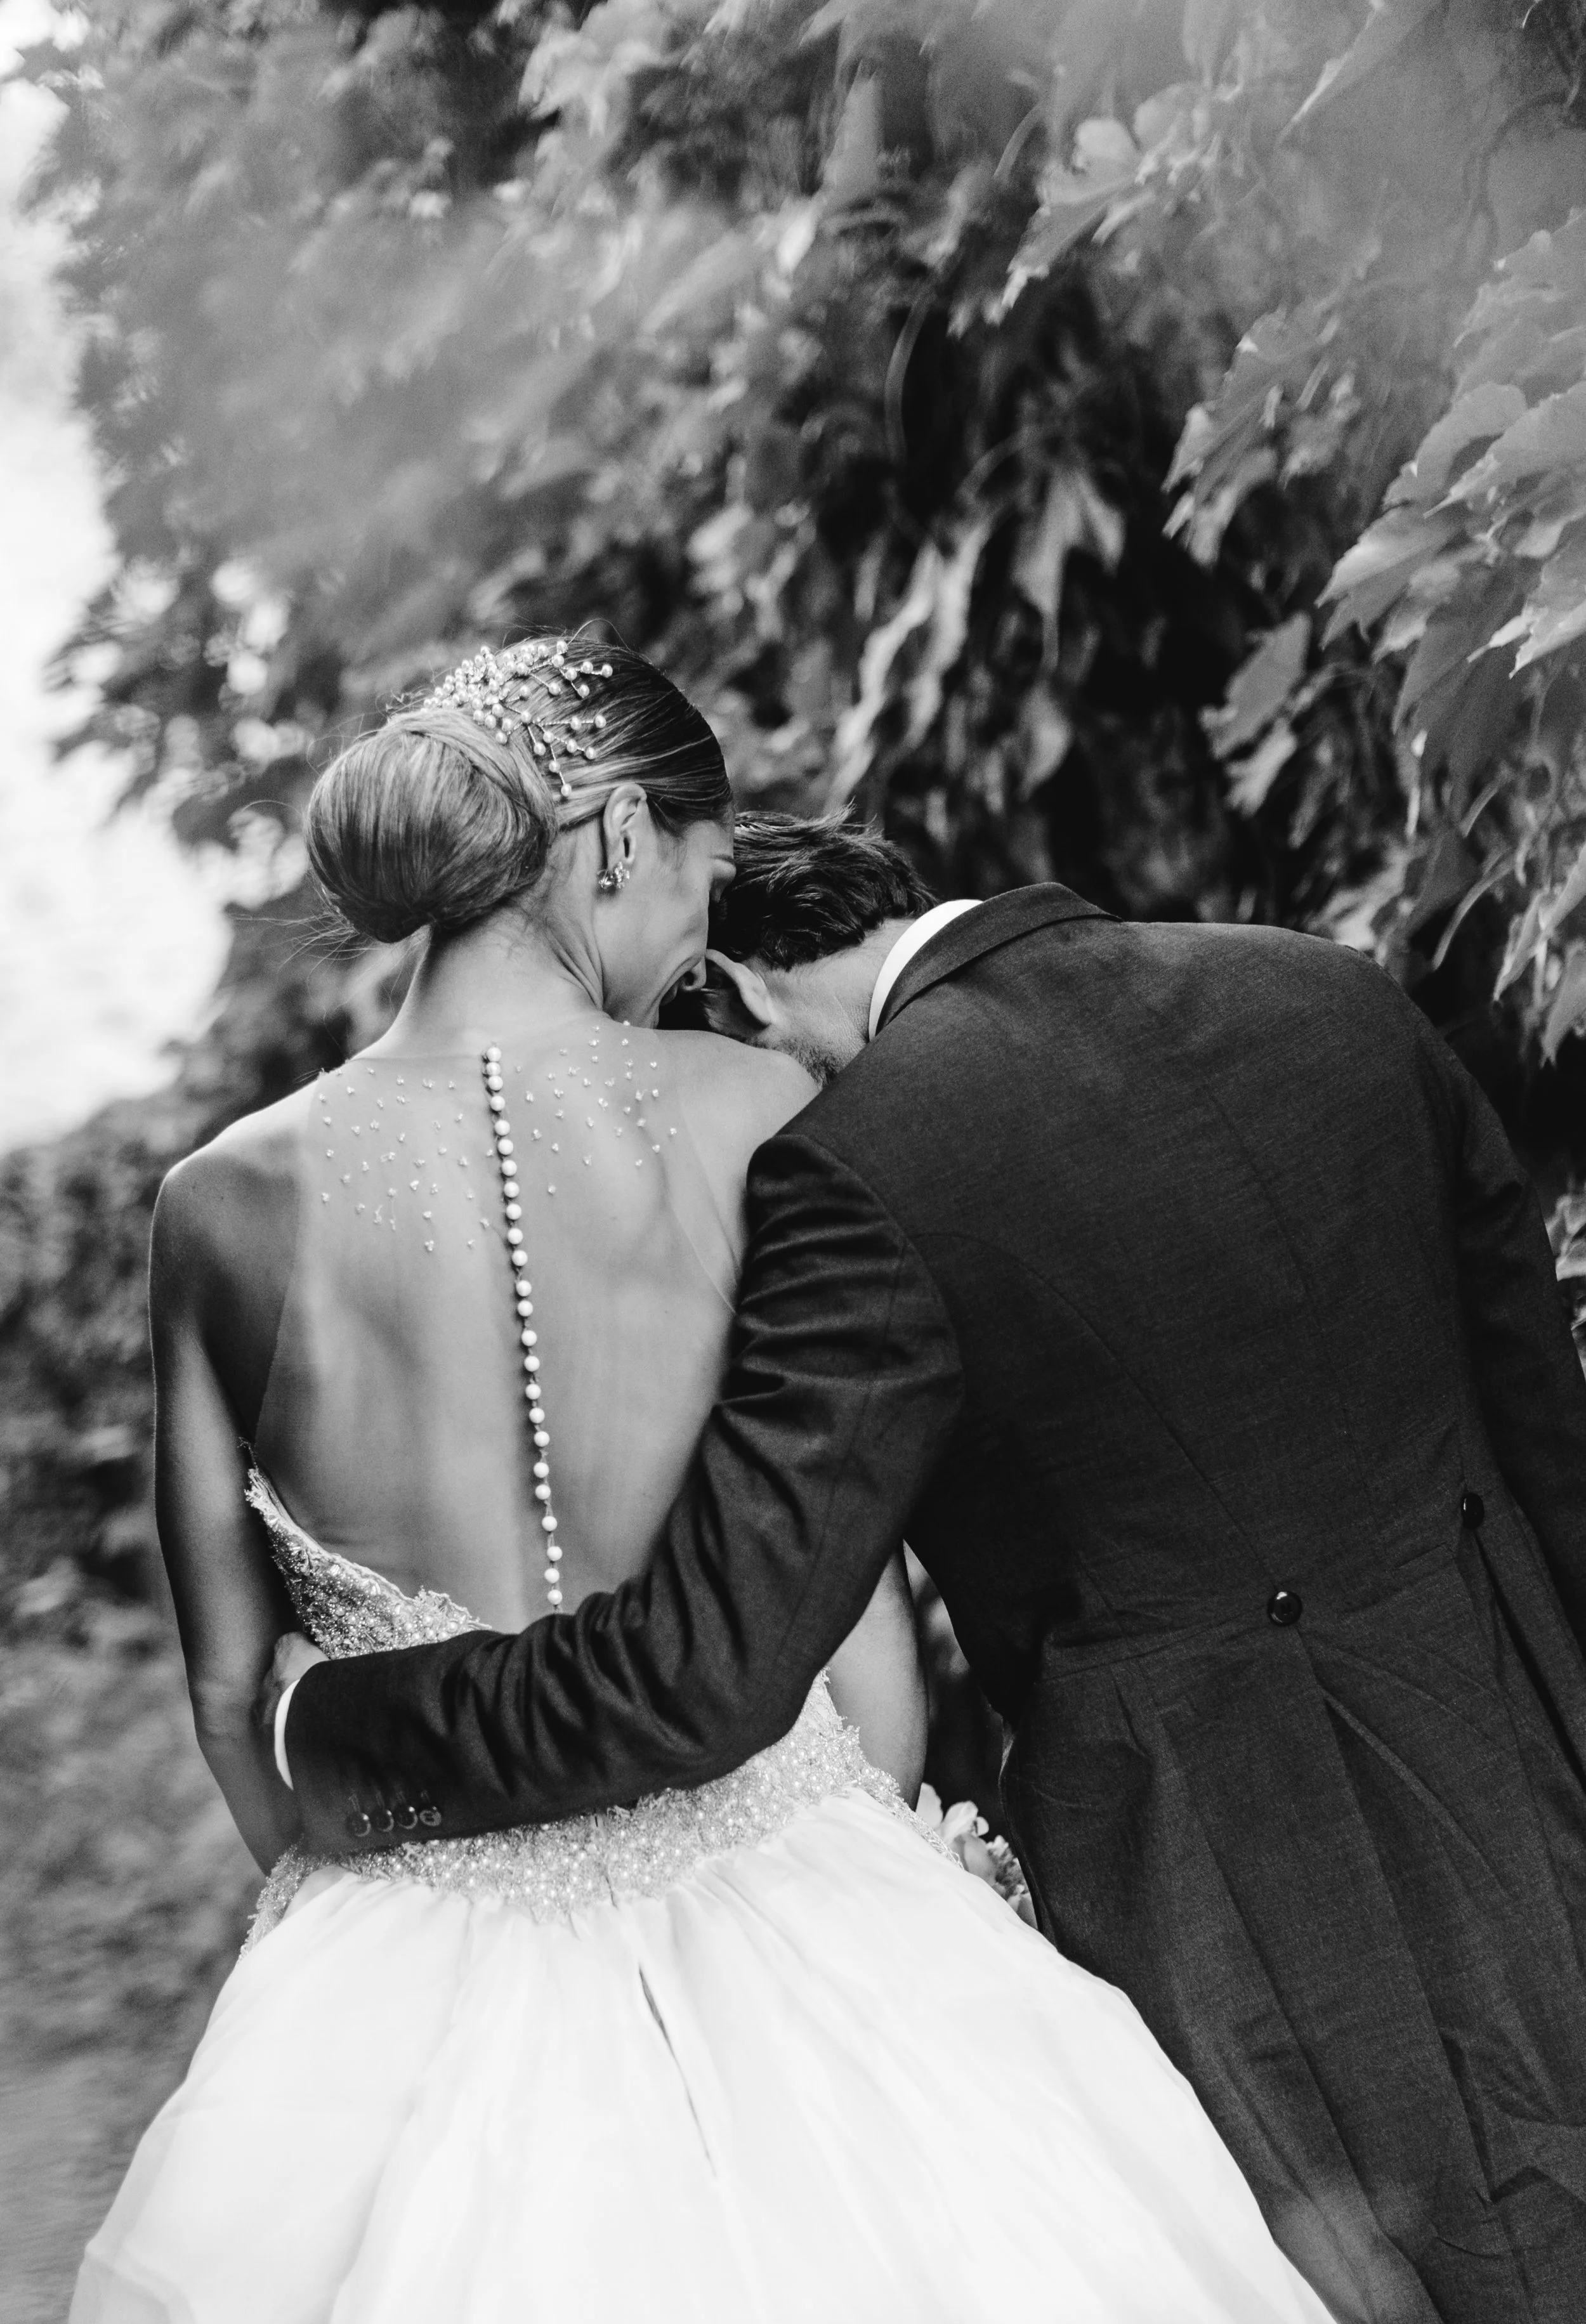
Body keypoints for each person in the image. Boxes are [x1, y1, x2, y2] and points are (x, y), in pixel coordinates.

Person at [73, 636, 1331, 2324]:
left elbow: (237, 1699)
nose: (697, 938)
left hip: (407, 1949)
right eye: (701, 875)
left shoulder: (221, 1202)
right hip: (805, 1889)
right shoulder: (770, 1115)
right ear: (612, 844)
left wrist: (353, 1941)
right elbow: (858, 1630)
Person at [272, 802, 1586, 2324]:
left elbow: (709, 1664)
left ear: (743, 991)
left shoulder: (862, 1163)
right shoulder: (1328, 990)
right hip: (1530, 1763)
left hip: (1224, 1888)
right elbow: (1548, 1441)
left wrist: (341, 1719)